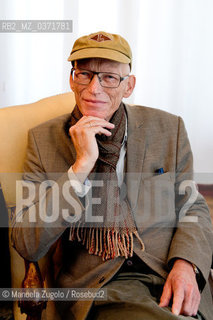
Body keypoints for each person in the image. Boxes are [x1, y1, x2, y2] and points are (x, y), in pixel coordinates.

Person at [12, 31, 213, 320]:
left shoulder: (169, 128)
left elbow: (192, 207)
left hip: (170, 270)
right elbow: (27, 242)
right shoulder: (43, 141)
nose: (94, 88)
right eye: (85, 74)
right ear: (72, 78)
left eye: (109, 77)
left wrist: (187, 264)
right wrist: (81, 166)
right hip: (104, 285)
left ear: (128, 85)